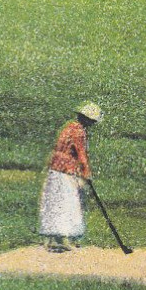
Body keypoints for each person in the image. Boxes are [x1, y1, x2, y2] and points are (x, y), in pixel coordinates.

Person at [39, 102, 101, 253]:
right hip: (66, 170)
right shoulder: (79, 132)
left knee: (53, 201)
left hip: (55, 168)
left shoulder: (69, 127)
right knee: (68, 203)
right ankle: (65, 240)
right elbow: (81, 154)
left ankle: (50, 240)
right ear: (87, 119)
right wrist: (87, 173)